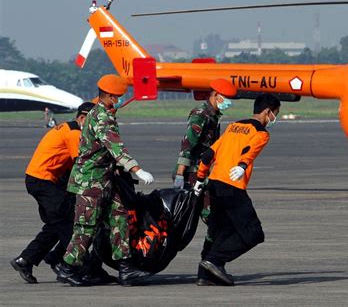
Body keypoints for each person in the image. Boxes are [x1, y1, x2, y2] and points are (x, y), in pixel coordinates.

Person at [56, 74, 155, 287]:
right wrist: (137, 169)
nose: (119, 100)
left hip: (105, 180)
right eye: (117, 96)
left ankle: (125, 269)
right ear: (108, 96)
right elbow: (115, 147)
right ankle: (67, 267)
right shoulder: (102, 117)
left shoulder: (102, 112)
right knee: (86, 226)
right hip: (91, 182)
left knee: (119, 218)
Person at [193, 93, 281, 286]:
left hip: (213, 183)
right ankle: (214, 261)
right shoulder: (261, 133)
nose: (274, 118)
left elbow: (209, 153)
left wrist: (200, 178)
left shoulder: (233, 126)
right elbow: (250, 151)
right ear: (267, 112)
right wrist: (241, 166)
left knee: (219, 230)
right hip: (232, 186)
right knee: (253, 233)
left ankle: (204, 275)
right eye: (275, 114)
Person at [10, 102, 95, 284]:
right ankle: (78, 267)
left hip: (42, 179)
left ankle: (25, 260)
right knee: (66, 223)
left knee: (55, 224)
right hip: (43, 180)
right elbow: (81, 163)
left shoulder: (68, 128)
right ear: (82, 118)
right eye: (93, 122)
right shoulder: (74, 134)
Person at [173, 79, 237, 190]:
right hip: (192, 172)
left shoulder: (214, 116)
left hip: (205, 170)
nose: (228, 101)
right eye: (226, 98)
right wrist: (180, 173)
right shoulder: (201, 115)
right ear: (216, 95)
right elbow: (188, 143)